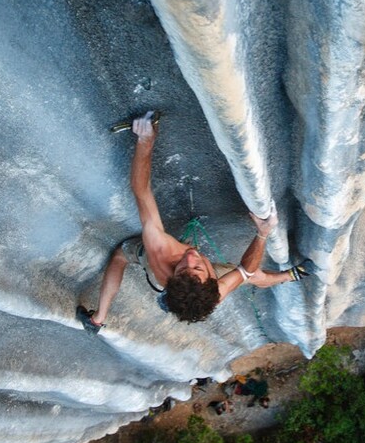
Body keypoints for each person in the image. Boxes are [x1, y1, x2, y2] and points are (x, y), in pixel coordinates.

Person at [77, 112, 312, 332]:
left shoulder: (159, 253)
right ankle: (289, 276)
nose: (190, 258)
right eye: (197, 267)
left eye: (182, 268)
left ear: (172, 278)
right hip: (191, 280)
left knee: (121, 255)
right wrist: (262, 233)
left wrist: (145, 140)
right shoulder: (215, 291)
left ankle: (97, 319)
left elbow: (142, 192)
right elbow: (246, 270)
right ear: (212, 279)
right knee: (252, 276)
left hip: (154, 264)